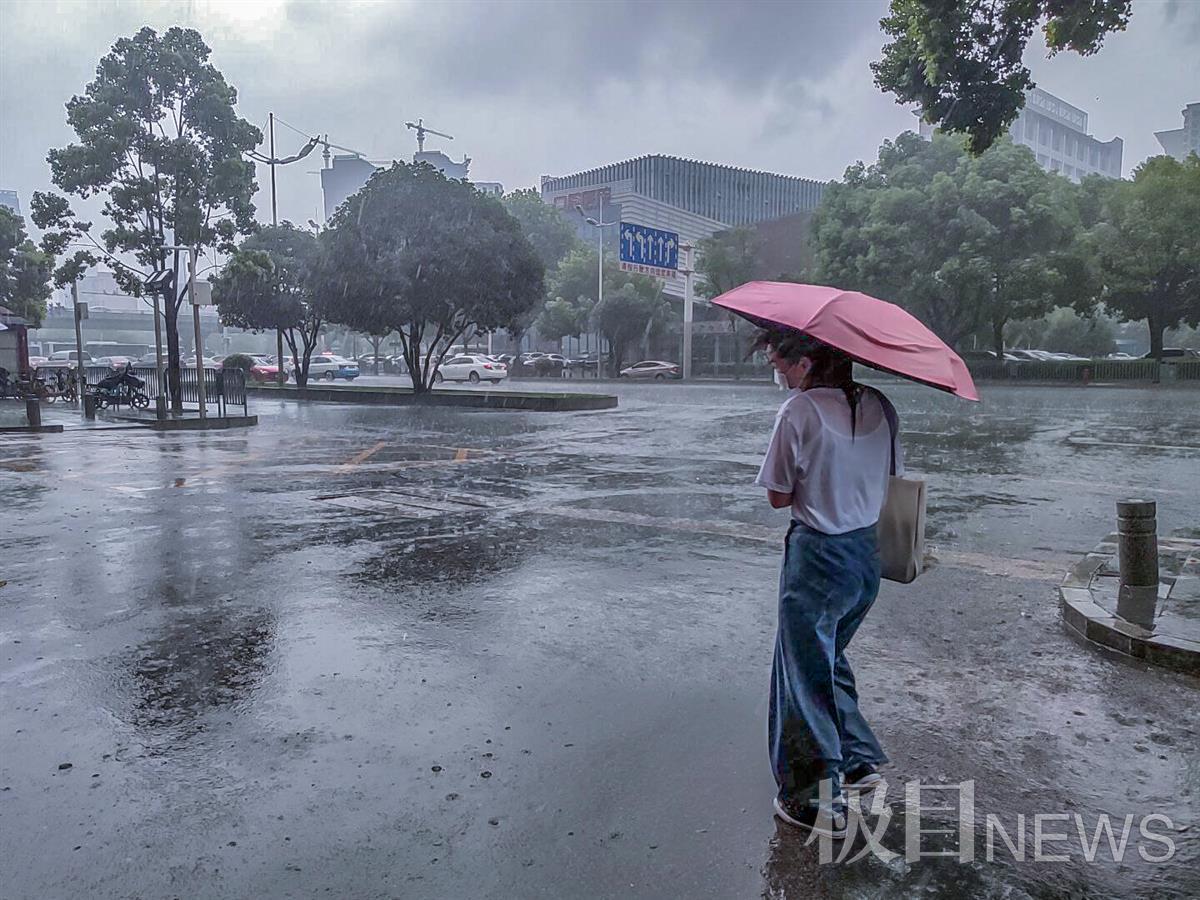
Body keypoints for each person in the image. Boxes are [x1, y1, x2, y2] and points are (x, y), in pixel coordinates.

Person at [754, 327, 902, 839]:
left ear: (807, 360)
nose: (778, 372)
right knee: (828, 658)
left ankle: (816, 801)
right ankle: (857, 761)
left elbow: (777, 496)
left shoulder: (798, 412)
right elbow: (889, 476)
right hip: (864, 555)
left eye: (780, 362)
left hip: (818, 556)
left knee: (802, 678)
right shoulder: (881, 405)